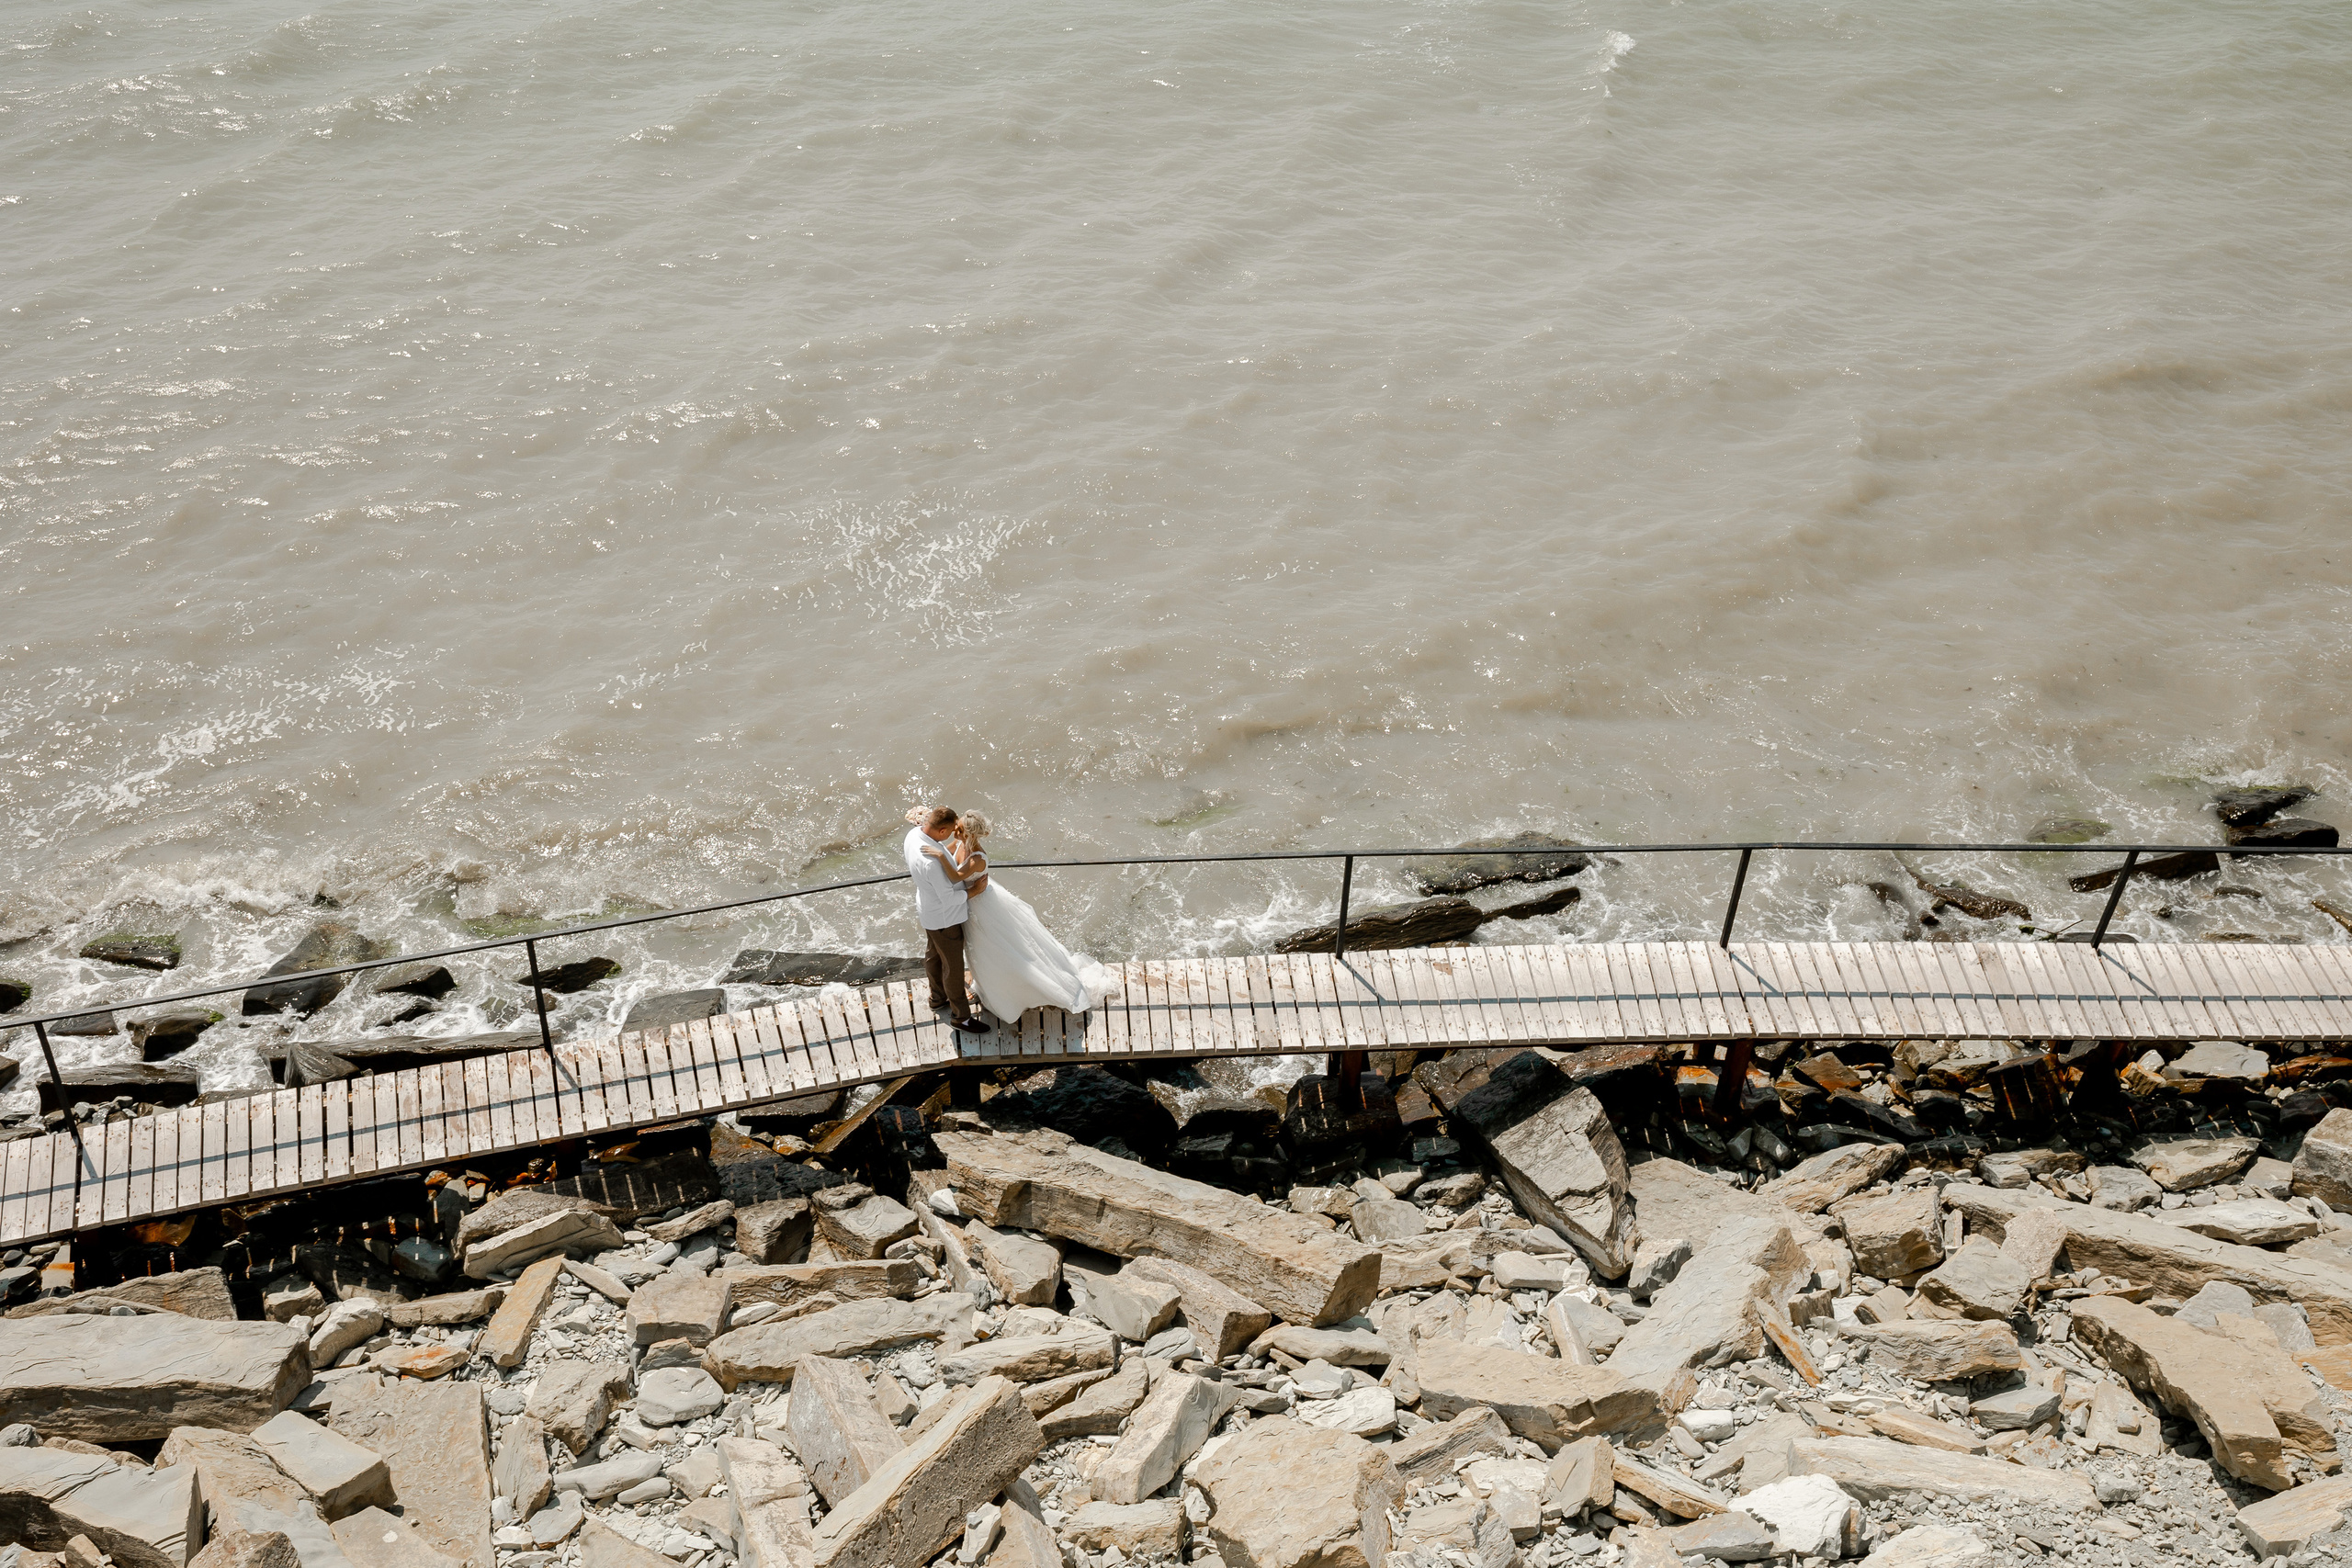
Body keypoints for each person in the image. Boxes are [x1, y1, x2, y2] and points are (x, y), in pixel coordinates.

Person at [910, 808, 1110, 1019]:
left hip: (981, 906)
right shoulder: (960, 843)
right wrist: (928, 835)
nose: (954, 831)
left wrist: (940, 855)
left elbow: (954, 876)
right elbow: (945, 850)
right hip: (970, 904)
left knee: (995, 949)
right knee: (980, 951)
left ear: (968, 834)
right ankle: (986, 986)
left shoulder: (977, 858)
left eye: (958, 829)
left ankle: (1020, 989)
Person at [904, 806, 989, 1034]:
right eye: (951, 830)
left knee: (933, 955)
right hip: (945, 917)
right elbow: (950, 899)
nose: (954, 834)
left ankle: (937, 998)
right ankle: (961, 1017)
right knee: (953, 967)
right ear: (941, 830)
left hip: (928, 910)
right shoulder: (932, 863)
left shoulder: (913, 835)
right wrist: (974, 892)